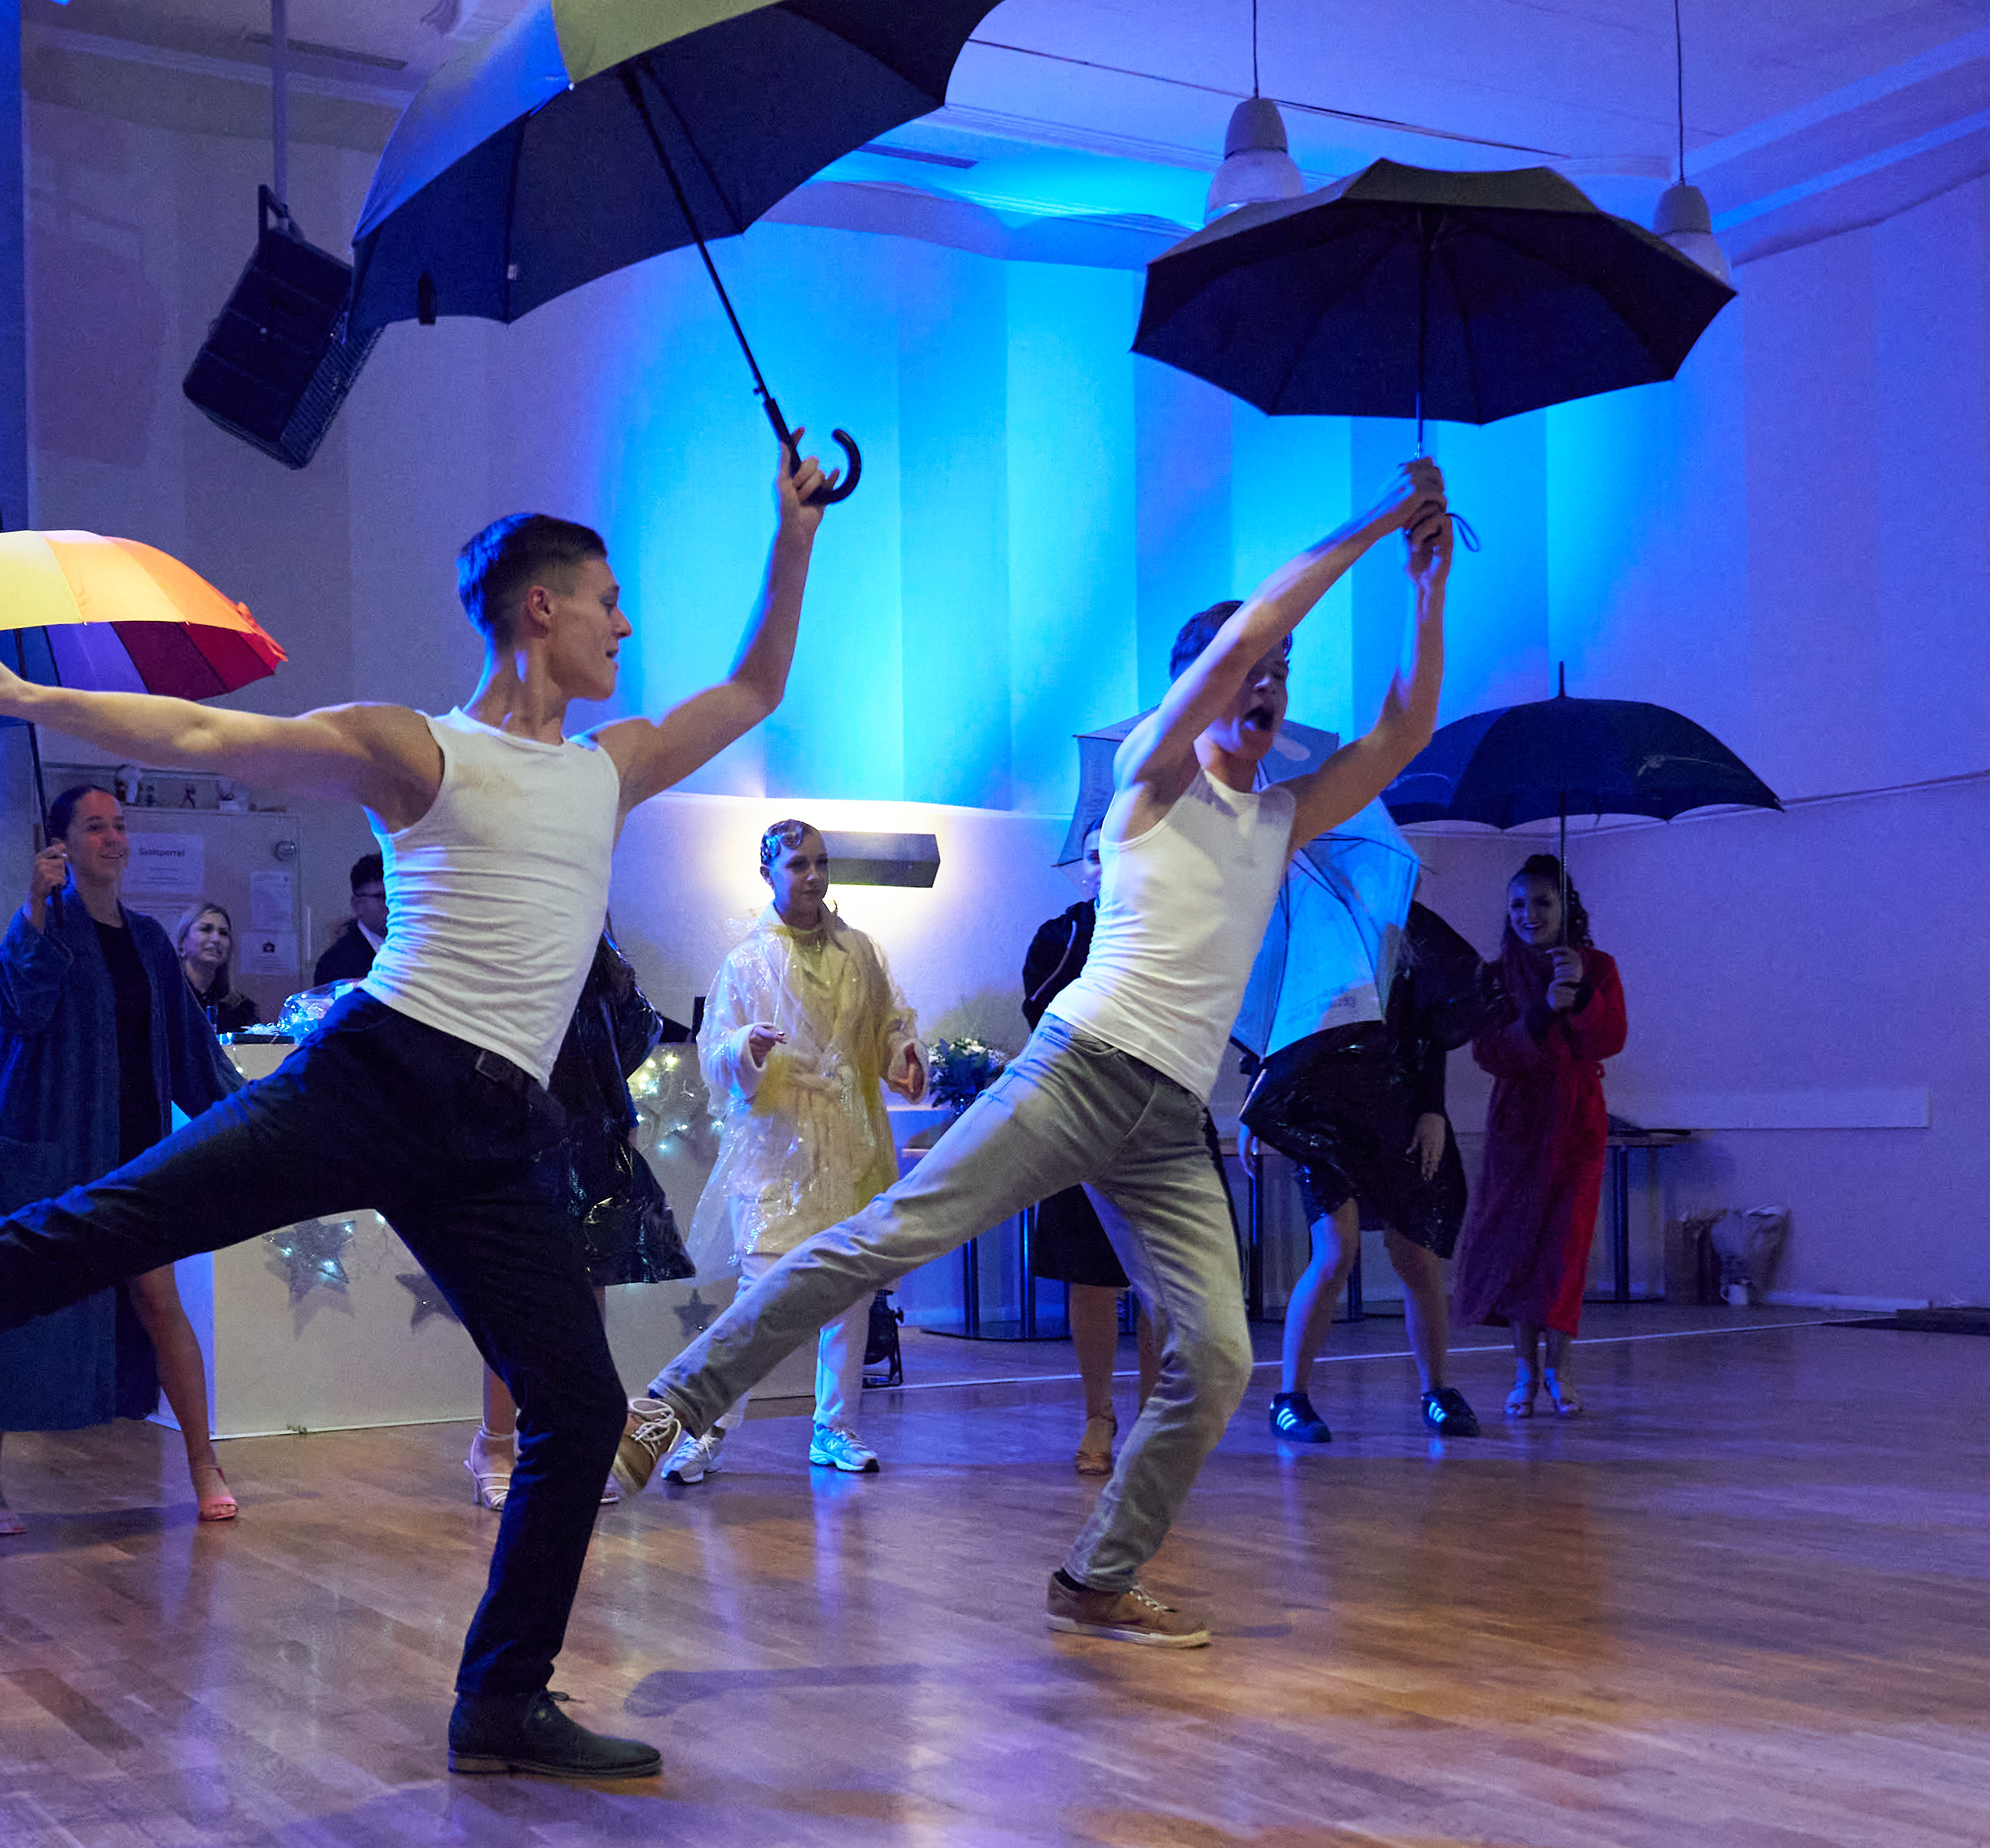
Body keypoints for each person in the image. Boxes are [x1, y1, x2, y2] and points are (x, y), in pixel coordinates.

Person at [0, 441, 840, 1781]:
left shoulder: (609, 765)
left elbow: (755, 687)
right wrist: (30, 694)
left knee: (579, 1409)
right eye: (607, 599)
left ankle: (501, 1703)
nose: (624, 626)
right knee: (89, 1228)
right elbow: (207, 737)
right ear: (539, 607)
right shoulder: (420, 749)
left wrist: (793, 535)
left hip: (498, 1135)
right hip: (379, 1076)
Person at [618, 461, 1455, 1652]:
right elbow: (1249, 629)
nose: (1269, 684)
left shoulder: (1278, 817)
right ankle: (668, 1408)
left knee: (1219, 1355)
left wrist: (1424, 588)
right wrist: (1374, 518)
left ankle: (1096, 1577)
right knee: (883, 1239)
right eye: (1251, 671)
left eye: (1283, 676)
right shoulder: (1149, 778)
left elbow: (1401, 730)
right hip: (1078, 1069)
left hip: (1168, 1117)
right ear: (1194, 692)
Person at [0, 786, 242, 1531]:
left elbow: (192, 1053)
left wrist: (257, 1115)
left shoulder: (149, 941)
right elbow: (15, 1007)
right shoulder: (42, 926)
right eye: (95, 826)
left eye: (119, 825)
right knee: (6, 1304)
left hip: (134, 1158)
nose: (114, 838)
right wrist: (36, 906)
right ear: (59, 843)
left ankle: (203, 1463)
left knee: (159, 1301)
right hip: (45, 1156)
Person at [660, 820, 923, 1485]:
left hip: (850, 1140)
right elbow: (715, 1052)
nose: (813, 875)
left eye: (821, 862)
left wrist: (903, 1054)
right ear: (768, 874)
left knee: (849, 1292)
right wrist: (744, 1048)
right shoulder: (745, 963)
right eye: (798, 864)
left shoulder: (860, 951)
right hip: (775, 1145)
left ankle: (835, 1425)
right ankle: (709, 1428)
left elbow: (889, 1022)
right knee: (761, 1297)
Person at [463, 929, 694, 1511]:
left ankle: (575, 1450)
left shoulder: (594, 951)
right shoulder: (502, 940)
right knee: (514, 1300)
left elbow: (633, 1029)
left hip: (589, 1137)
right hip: (514, 1134)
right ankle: (495, 1444)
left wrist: (613, 1111)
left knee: (584, 1303)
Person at [1258, 897, 1492, 1445]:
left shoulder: (1408, 935)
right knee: (1334, 1252)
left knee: (1416, 1256)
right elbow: (1278, 1025)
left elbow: (1431, 1029)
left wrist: (1432, 1109)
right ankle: (1290, 1397)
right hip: (1324, 1115)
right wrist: (1260, 1100)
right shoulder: (1310, 936)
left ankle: (1437, 1391)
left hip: (1396, 1111)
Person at [1451, 855, 1626, 1418]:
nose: (1529, 914)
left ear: (1565, 907)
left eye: (1542, 902)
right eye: (1518, 904)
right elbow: (1488, 1051)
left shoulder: (1595, 966)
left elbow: (1609, 1038)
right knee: (1515, 1242)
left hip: (1576, 1123)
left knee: (1563, 1246)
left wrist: (1580, 994)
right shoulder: (1494, 975)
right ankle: (1524, 1369)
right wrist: (1540, 1015)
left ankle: (1561, 1369)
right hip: (1518, 1124)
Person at [1019, 847, 1161, 1477]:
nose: (1107, 866)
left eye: (1119, 854)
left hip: (1154, 1116)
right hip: (1083, 1113)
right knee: (1091, 1274)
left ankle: (1155, 1420)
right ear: (1083, 868)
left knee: (1161, 1280)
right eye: (1096, 856)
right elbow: (1042, 1015)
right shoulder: (1063, 934)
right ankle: (1098, 1414)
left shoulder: (1165, 934)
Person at [177, 900, 261, 1035]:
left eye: (223, 933)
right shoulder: (163, 1000)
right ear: (182, 943)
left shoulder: (242, 1009)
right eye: (206, 929)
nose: (216, 939)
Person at [313, 853, 388, 986]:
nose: (391, 904)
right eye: (383, 897)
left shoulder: (413, 947)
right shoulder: (336, 961)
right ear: (358, 904)